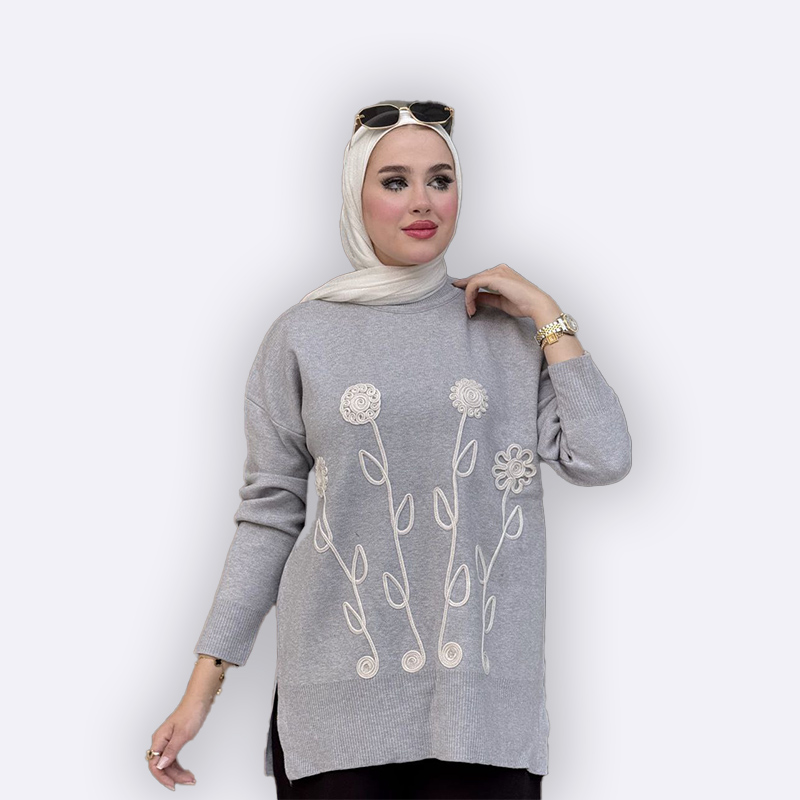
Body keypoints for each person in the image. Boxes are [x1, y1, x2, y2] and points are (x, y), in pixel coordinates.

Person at [147, 100, 633, 798]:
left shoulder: (507, 332)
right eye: (395, 181)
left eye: (440, 180)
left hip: (485, 716)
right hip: (338, 717)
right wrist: (201, 694)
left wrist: (547, 315)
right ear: (356, 194)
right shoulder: (303, 336)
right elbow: (269, 518)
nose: (422, 202)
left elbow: (603, 457)